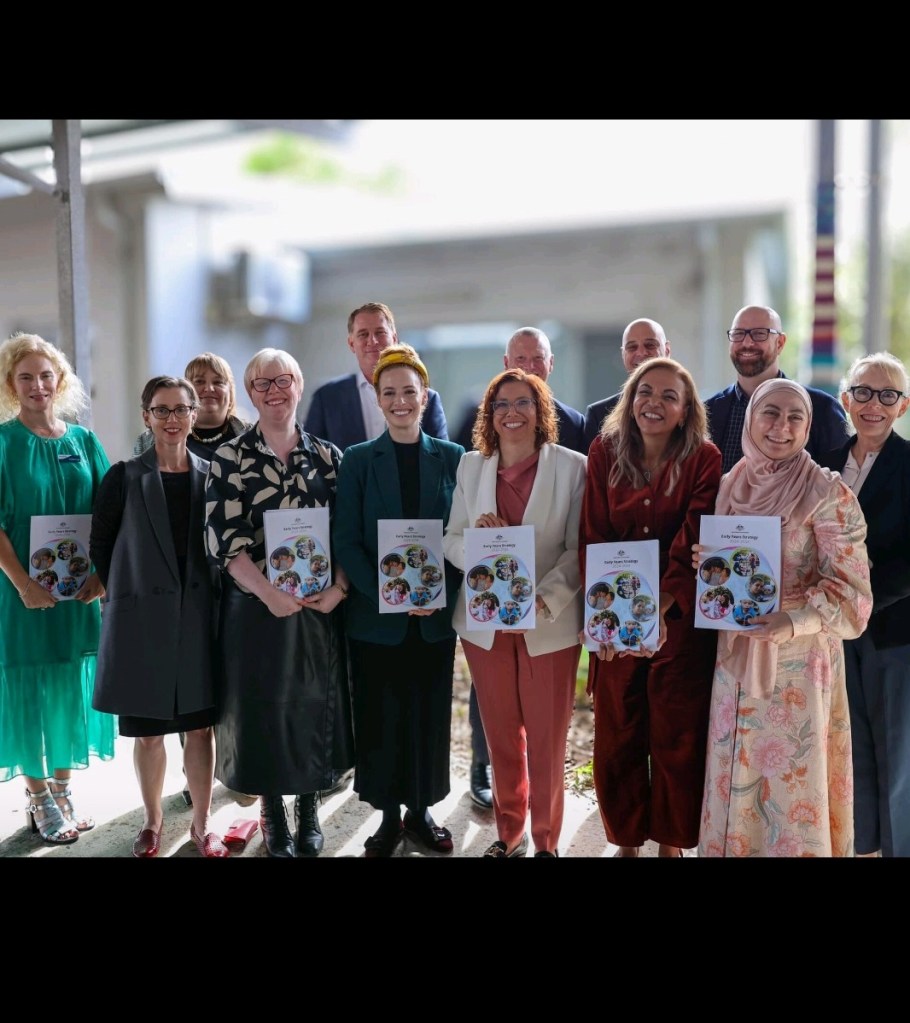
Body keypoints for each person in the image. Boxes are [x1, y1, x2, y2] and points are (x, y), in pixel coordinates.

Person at [698, 378, 872, 857]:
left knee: (787, 788)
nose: (781, 426)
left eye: (795, 416)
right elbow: (735, 566)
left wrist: (792, 620)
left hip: (795, 667)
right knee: (738, 773)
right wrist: (709, 563)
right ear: (751, 421)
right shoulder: (733, 482)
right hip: (735, 662)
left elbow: (854, 595)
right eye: (769, 413)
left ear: (809, 426)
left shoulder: (825, 492)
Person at [205, 348, 354, 858]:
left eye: (282, 380)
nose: (274, 391)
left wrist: (339, 587)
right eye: (262, 383)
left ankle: (309, 807)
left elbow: (345, 533)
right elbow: (223, 541)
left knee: (314, 708)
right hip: (255, 608)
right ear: (249, 393)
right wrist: (268, 593)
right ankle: (271, 810)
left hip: (317, 607)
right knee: (263, 708)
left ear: (299, 384)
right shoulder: (230, 458)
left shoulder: (330, 457)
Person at [579, 356, 721, 858]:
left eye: (668, 397)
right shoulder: (603, 450)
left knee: (676, 735)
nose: (654, 403)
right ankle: (626, 839)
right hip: (616, 617)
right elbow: (593, 531)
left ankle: (671, 841)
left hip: (678, 618)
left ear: (685, 411)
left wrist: (660, 603)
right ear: (630, 399)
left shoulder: (704, 457)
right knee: (618, 733)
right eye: (645, 393)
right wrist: (606, 621)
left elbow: (696, 530)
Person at [443, 368, 587, 857]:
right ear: (490, 415)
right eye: (501, 404)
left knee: (547, 739)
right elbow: (450, 539)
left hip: (547, 620)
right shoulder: (470, 467)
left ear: (539, 409)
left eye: (523, 402)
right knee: (502, 736)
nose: (511, 412)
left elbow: (577, 546)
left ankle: (546, 841)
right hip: (486, 625)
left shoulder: (572, 467)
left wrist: (546, 594)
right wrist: (481, 547)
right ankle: (509, 835)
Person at [333, 343, 464, 857]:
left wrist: (440, 594)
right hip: (377, 619)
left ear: (425, 395)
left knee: (428, 715)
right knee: (381, 716)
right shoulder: (359, 461)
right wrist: (388, 594)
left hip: (434, 618)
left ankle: (422, 812)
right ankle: (388, 817)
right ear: (377, 397)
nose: (401, 400)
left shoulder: (455, 459)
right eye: (390, 392)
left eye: (409, 391)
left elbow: (464, 534)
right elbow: (346, 540)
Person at [90, 375, 228, 858]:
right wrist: (131, 595)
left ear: (195, 415)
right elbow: (101, 547)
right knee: (148, 734)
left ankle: (202, 823)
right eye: (162, 410)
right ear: (146, 416)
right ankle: (152, 821)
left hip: (198, 620)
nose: (172, 419)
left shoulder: (214, 475)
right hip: (141, 622)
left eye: (180, 409)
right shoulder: (123, 476)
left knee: (200, 727)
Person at [0, 331, 114, 844]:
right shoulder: (2, 443)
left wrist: (103, 573)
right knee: (26, 687)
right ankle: (38, 796)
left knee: (70, 683)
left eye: (46, 375)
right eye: (26, 377)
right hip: (20, 595)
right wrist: (23, 583)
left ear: (60, 380)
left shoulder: (84, 441)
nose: (38, 385)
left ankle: (64, 789)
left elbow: (112, 513)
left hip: (79, 593)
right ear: (11, 384)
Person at [818, 352, 910, 857]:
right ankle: (859, 845)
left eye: (888, 395)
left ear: (903, 406)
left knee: (895, 751)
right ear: (846, 398)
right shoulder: (822, 462)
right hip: (829, 630)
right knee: (846, 746)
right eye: (864, 392)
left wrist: (862, 596)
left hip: (892, 631)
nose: (874, 404)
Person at [706, 304, 848, 474]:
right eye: (738, 334)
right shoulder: (707, 412)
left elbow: (840, 488)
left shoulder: (822, 409)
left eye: (759, 334)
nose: (747, 342)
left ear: (780, 343)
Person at [304, 301, 448, 451]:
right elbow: (312, 460)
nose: (372, 341)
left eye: (380, 332)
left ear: (394, 339)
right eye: (363, 334)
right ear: (351, 344)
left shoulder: (428, 399)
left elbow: (442, 459)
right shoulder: (326, 398)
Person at [134, 351, 250, 459]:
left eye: (218, 382)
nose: (209, 388)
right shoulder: (148, 441)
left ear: (230, 392)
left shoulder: (254, 436)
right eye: (199, 381)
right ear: (185, 393)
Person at [583, 317, 671, 450]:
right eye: (632, 347)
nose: (641, 353)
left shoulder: (689, 409)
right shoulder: (598, 415)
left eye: (650, 345)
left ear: (667, 350)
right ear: (623, 354)